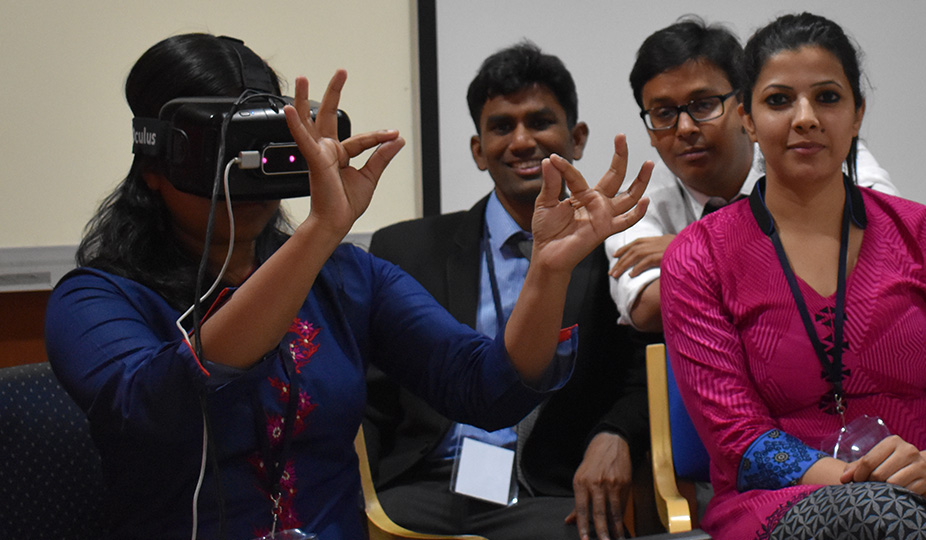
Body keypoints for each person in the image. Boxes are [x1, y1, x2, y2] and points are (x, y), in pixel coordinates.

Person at [43, 34, 651, 540]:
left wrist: (547, 272)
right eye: (225, 151)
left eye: (263, 146)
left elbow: (484, 387)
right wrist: (322, 228)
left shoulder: (344, 279)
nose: (247, 171)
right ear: (154, 166)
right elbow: (155, 408)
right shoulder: (96, 299)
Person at [658, 12, 926, 539]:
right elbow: (740, 441)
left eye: (827, 97)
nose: (805, 118)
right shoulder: (697, 258)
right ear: (746, 119)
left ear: (858, 113)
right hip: (777, 507)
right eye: (778, 100)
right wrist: (877, 492)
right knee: (879, 517)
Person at [364, 42, 652, 540]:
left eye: (540, 122)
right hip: (425, 485)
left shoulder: (613, 245)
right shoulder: (405, 248)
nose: (522, 141)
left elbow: (644, 366)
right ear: (478, 150)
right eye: (501, 126)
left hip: (549, 491)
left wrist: (616, 433)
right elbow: (371, 394)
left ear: (577, 138)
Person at [605, 16, 898, 333]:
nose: (685, 128)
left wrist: (689, 253)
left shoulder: (818, 154)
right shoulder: (635, 204)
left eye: (704, 105)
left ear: (745, 108)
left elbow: (887, 247)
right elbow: (650, 308)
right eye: (663, 113)